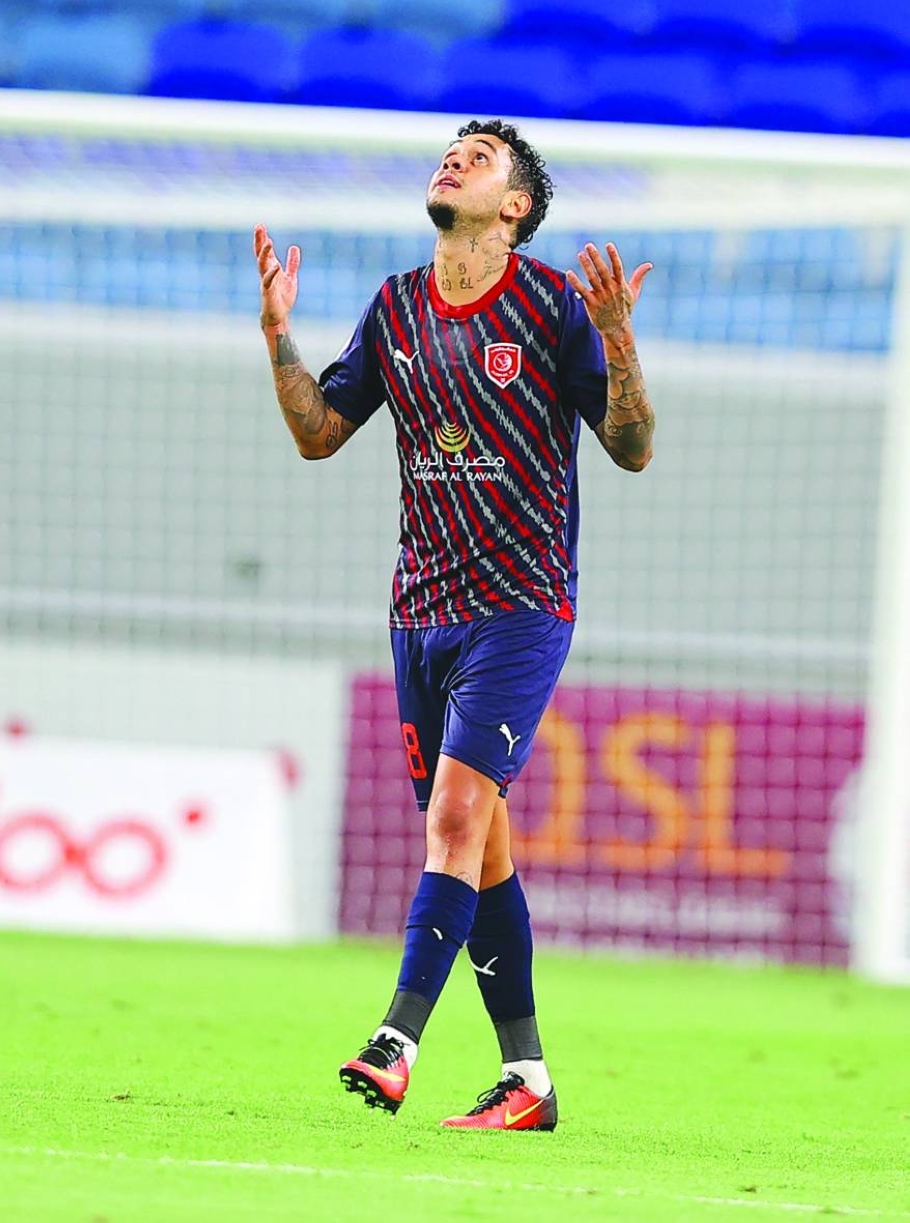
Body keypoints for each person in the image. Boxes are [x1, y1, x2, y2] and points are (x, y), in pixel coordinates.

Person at [253, 118, 654, 1132]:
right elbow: (317, 433)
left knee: (454, 818)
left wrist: (617, 337)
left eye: (480, 157)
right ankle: (528, 1078)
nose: (455, 158)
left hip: (520, 605)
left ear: (513, 206)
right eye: (452, 150)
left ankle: (395, 1040)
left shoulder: (552, 304)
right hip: (419, 610)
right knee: (482, 849)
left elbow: (631, 447)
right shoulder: (395, 306)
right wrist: (277, 338)